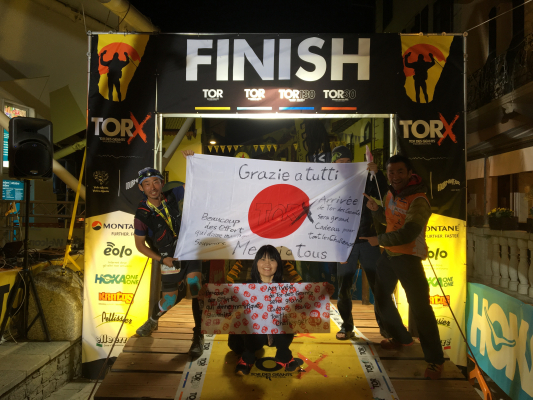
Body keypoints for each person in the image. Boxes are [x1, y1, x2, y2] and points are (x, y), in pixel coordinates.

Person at [361, 154, 445, 380]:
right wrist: (375, 209)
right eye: (391, 172)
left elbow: (409, 232)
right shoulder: (391, 194)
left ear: (409, 173)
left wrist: (379, 240)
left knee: (420, 309)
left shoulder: (419, 200)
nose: (395, 176)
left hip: (409, 258)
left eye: (400, 172)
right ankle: (401, 337)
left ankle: (436, 360)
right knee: (381, 298)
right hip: (389, 256)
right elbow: (387, 219)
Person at [133, 150, 204, 358]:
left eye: (156, 182)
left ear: (162, 183)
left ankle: (198, 335)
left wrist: (191, 161)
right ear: (141, 188)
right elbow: (140, 246)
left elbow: (194, 184)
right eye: (147, 184)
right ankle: (152, 320)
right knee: (169, 301)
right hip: (168, 258)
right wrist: (162, 259)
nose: (153, 187)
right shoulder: (141, 215)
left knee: (195, 287)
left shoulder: (172, 196)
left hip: (189, 251)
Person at [231, 245, 334, 375]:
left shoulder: (287, 288)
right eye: (262, 259)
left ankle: (283, 355)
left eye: (272, 260)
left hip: (278, 336)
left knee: (287, 316)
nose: (267, 263)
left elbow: (304, 306)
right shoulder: (245, 287)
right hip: (251, 338)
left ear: (278, 264)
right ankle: (247, 357)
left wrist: (323, 295)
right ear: (256, 263)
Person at [331, 145, 388, 340]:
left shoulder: (363, 178)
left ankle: (385, 327)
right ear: (333, 164)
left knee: (378, 286)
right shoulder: (326, 184)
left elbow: (383, 193)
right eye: (340, 162)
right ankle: (347, 327)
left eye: (348, 162)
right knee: (343, 288)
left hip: (367, 240)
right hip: (344, 244)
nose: (345, 165)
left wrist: (377, 174)